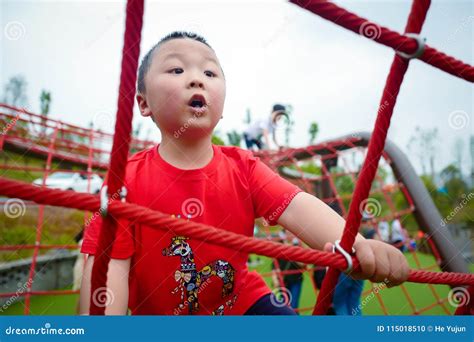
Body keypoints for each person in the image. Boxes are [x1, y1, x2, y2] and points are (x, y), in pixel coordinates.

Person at [79, 31, 409, 316]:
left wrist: (356, 243)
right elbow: (109, 274)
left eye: (210, 73)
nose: (196, 79)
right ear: (143, 102)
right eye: (176, 69)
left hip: (244, 304)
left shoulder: (244, 166)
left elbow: (297, 206)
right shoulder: (125, 182)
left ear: (221, 106)